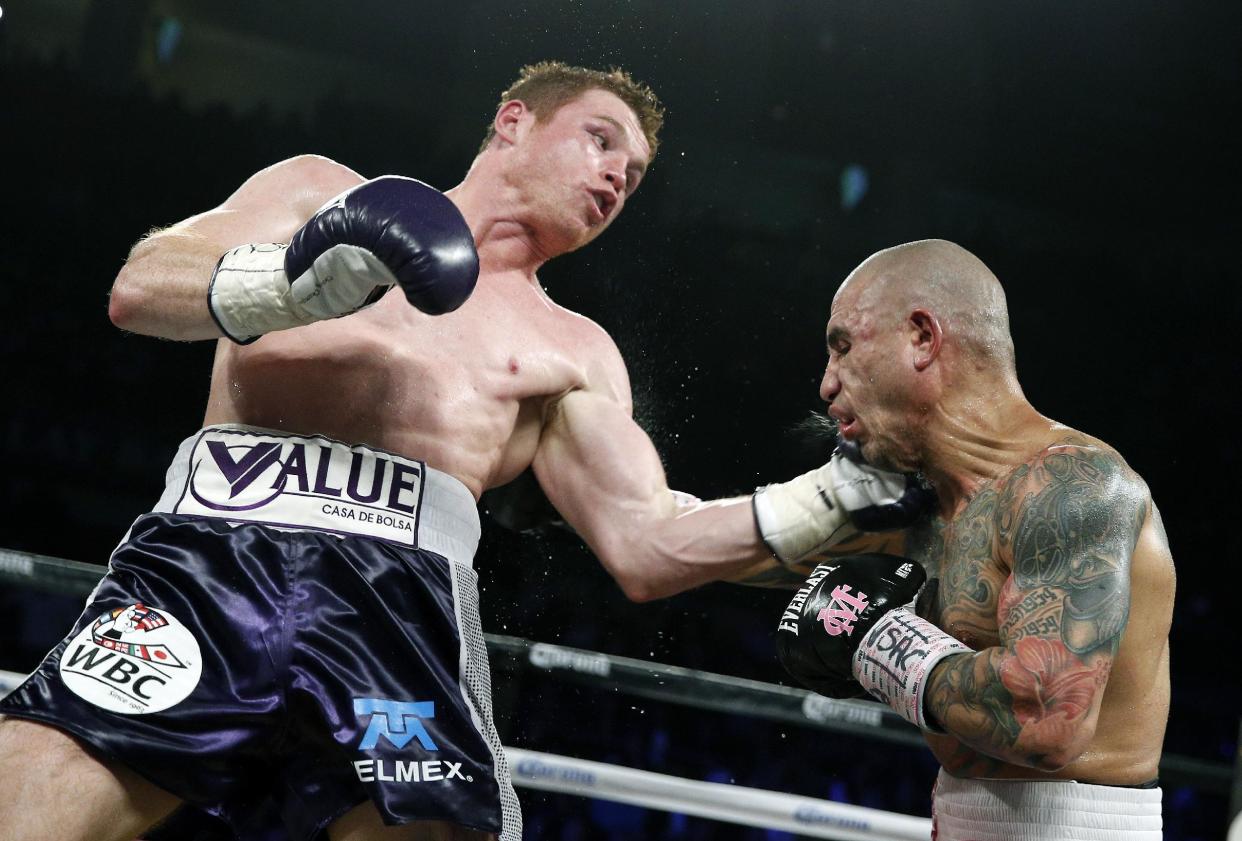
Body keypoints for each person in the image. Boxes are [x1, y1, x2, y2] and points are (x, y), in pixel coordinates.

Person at [0, 62, 929, 841]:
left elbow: (648, 541)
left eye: (636, 174)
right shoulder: (318, 191)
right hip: (204, 570)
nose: (617, 176)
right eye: (601, 139)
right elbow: (139, 287)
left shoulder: (574, 349)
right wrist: (303, 277)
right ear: (512, 122)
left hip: (397, 620)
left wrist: (837, 496)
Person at [764, 239, 1173, 839]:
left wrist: (879, 644)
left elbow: (1046, 718)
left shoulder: (1070, 486)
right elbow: (761, 557)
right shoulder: (928, 505)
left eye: (844, 347)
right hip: (960, 816)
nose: (827, 385)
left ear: (923, 339)